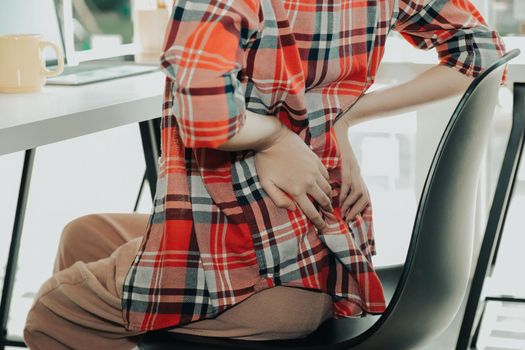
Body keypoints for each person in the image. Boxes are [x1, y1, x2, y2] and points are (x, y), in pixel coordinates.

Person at [23, 0, 507, 349]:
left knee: (52, 312)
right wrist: (344, 117)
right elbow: (481, 52)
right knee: (83, 236)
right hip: (325, 261)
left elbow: (203, 111)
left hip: (247, 283)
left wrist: (272, 138)